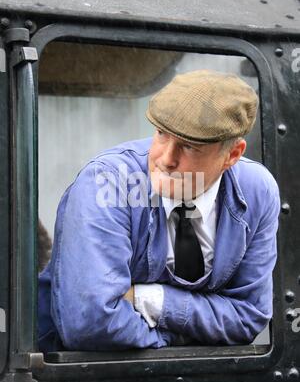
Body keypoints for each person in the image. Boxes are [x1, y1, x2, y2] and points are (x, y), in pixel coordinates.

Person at [38, 69, 281, 352]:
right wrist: (179, 341)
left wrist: (150, 299)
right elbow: (91, 324)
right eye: (161, 133)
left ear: (233, 155)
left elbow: (248, 317)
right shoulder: (109, 182)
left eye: (190, 146)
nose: (165, 159)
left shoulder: (258, 191)